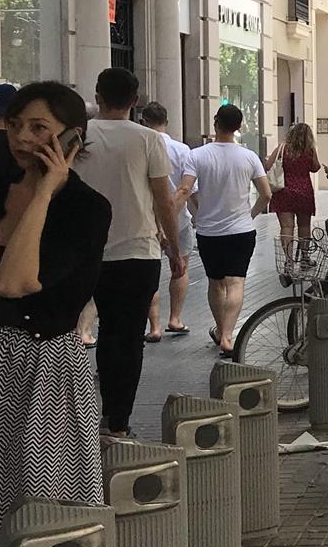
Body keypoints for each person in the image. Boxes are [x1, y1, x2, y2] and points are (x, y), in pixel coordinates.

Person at [0, 81, 111, 538]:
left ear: (72, 138)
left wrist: (47, 190)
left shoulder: (86, 209)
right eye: (15, 125)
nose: (21, 138)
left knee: (47, 518)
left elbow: (15, 282)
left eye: (39, 127)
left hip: (41, 373)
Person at [72, 68, 179, 439]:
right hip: (138, 252)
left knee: (97, 334)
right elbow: (163, 200)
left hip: (86, 253)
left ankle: (89, 415)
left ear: (97, 95)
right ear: (135, 101)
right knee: (128, 338)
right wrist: (175, 249)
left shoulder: (79, 136)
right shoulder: (149, 139)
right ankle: (118, 421)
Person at [190, 104, 271, 358]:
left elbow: (188, 190)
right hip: (241, 231)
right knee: (236, 282)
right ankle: (227, 335)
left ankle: (220, 329)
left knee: (215, 283)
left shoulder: (198, 155)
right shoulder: (248, 157)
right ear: (239, 127)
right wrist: (250, 215)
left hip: (209, 232)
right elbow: (266, 194)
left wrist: (199, 211)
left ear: (215, 123)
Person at [139, 103, 196, 341]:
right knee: (180, 267)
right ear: (167, 121)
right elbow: (188, 189)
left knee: (151, 271)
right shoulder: (183, 150)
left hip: (147, 218)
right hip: (179, 218)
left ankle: (154, 326)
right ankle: (175, 318)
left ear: (143, 121)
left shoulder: (141, 145)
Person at [263, 122, 321, 267]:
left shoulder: (282, 148)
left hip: (284, 191)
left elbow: (267, 166)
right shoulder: (310, 150)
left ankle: (289, 261)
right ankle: (305, 259)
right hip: (304, 191)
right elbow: (315, 168)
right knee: (304, 226)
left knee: (287, 227)